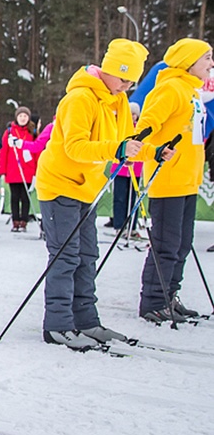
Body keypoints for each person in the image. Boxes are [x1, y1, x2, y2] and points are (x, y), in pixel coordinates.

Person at [33, 38, 149, 349]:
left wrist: (153, 151)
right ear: (110, 70)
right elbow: (75, 147)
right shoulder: (80, 99)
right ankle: (57, 323)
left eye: (132, 81)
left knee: (87, 256)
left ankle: (86, 321)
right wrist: (118, 148)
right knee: (65, 256)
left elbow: (127, 143)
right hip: (59, 184)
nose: (126, 86)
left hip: (88, 188)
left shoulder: (118, 102)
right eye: (123, 78)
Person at [136, 38, 212, 323]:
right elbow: (148, 121)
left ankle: (169, 295)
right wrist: (141, 140)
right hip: (168, 178)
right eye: (206, 58)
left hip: (188, 180)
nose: (211, 64)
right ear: (189, 61)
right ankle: (154, 300)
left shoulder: (191, 92)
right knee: (166, 244)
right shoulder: (169, 87)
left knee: (182, 244)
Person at [104, 102, 143, 236]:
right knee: (120, 197)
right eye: (129, 114)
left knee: (133, 198)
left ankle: (131, 225)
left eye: (134, 115)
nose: (132, 117)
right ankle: (119, 225)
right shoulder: (119, 127)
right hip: (120, 168)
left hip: (135, 168)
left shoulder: (139, 129)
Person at [0, 106, 37, 232]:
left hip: (28, 170)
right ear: (17, 117)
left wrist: (37, 171)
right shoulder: (9, 132)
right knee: (15, 197)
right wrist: (2, 171)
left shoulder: (33, 131)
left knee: (25, 197)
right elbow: (4, 152)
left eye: (25, 116)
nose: (23, 118)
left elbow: (37, 151)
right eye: (20, 116)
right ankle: (15, 220)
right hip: (13, 170)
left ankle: (24, 220)